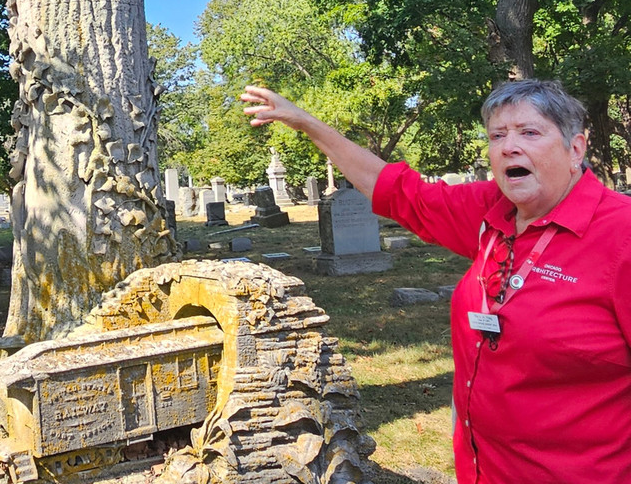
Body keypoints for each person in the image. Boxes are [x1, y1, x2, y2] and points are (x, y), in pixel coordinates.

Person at [240, 80, 631, 484]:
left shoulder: (621, 235)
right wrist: (306, 123)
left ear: (576, 149)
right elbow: (394, 191)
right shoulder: (493, 210)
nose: (509, 147)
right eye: (498, 135)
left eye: (530, 132)